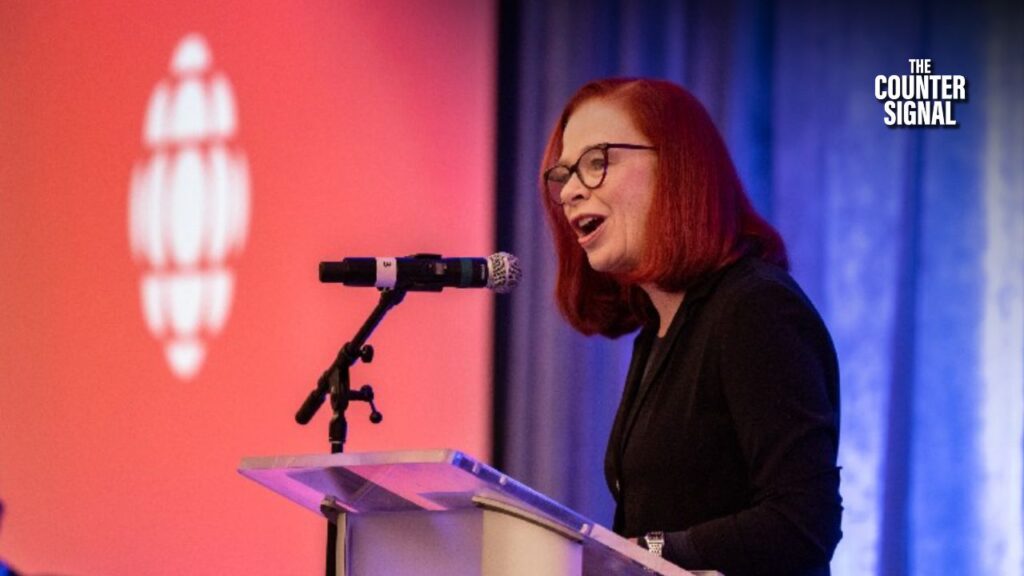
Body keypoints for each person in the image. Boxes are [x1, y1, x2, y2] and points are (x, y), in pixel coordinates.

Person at [539, 77, 842, 575]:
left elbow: (802, 523)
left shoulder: (755, 308)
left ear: (676, 167)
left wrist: (644, 550)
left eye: (595, 163)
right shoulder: (656, 329)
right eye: (565, 174)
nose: (570, 191)